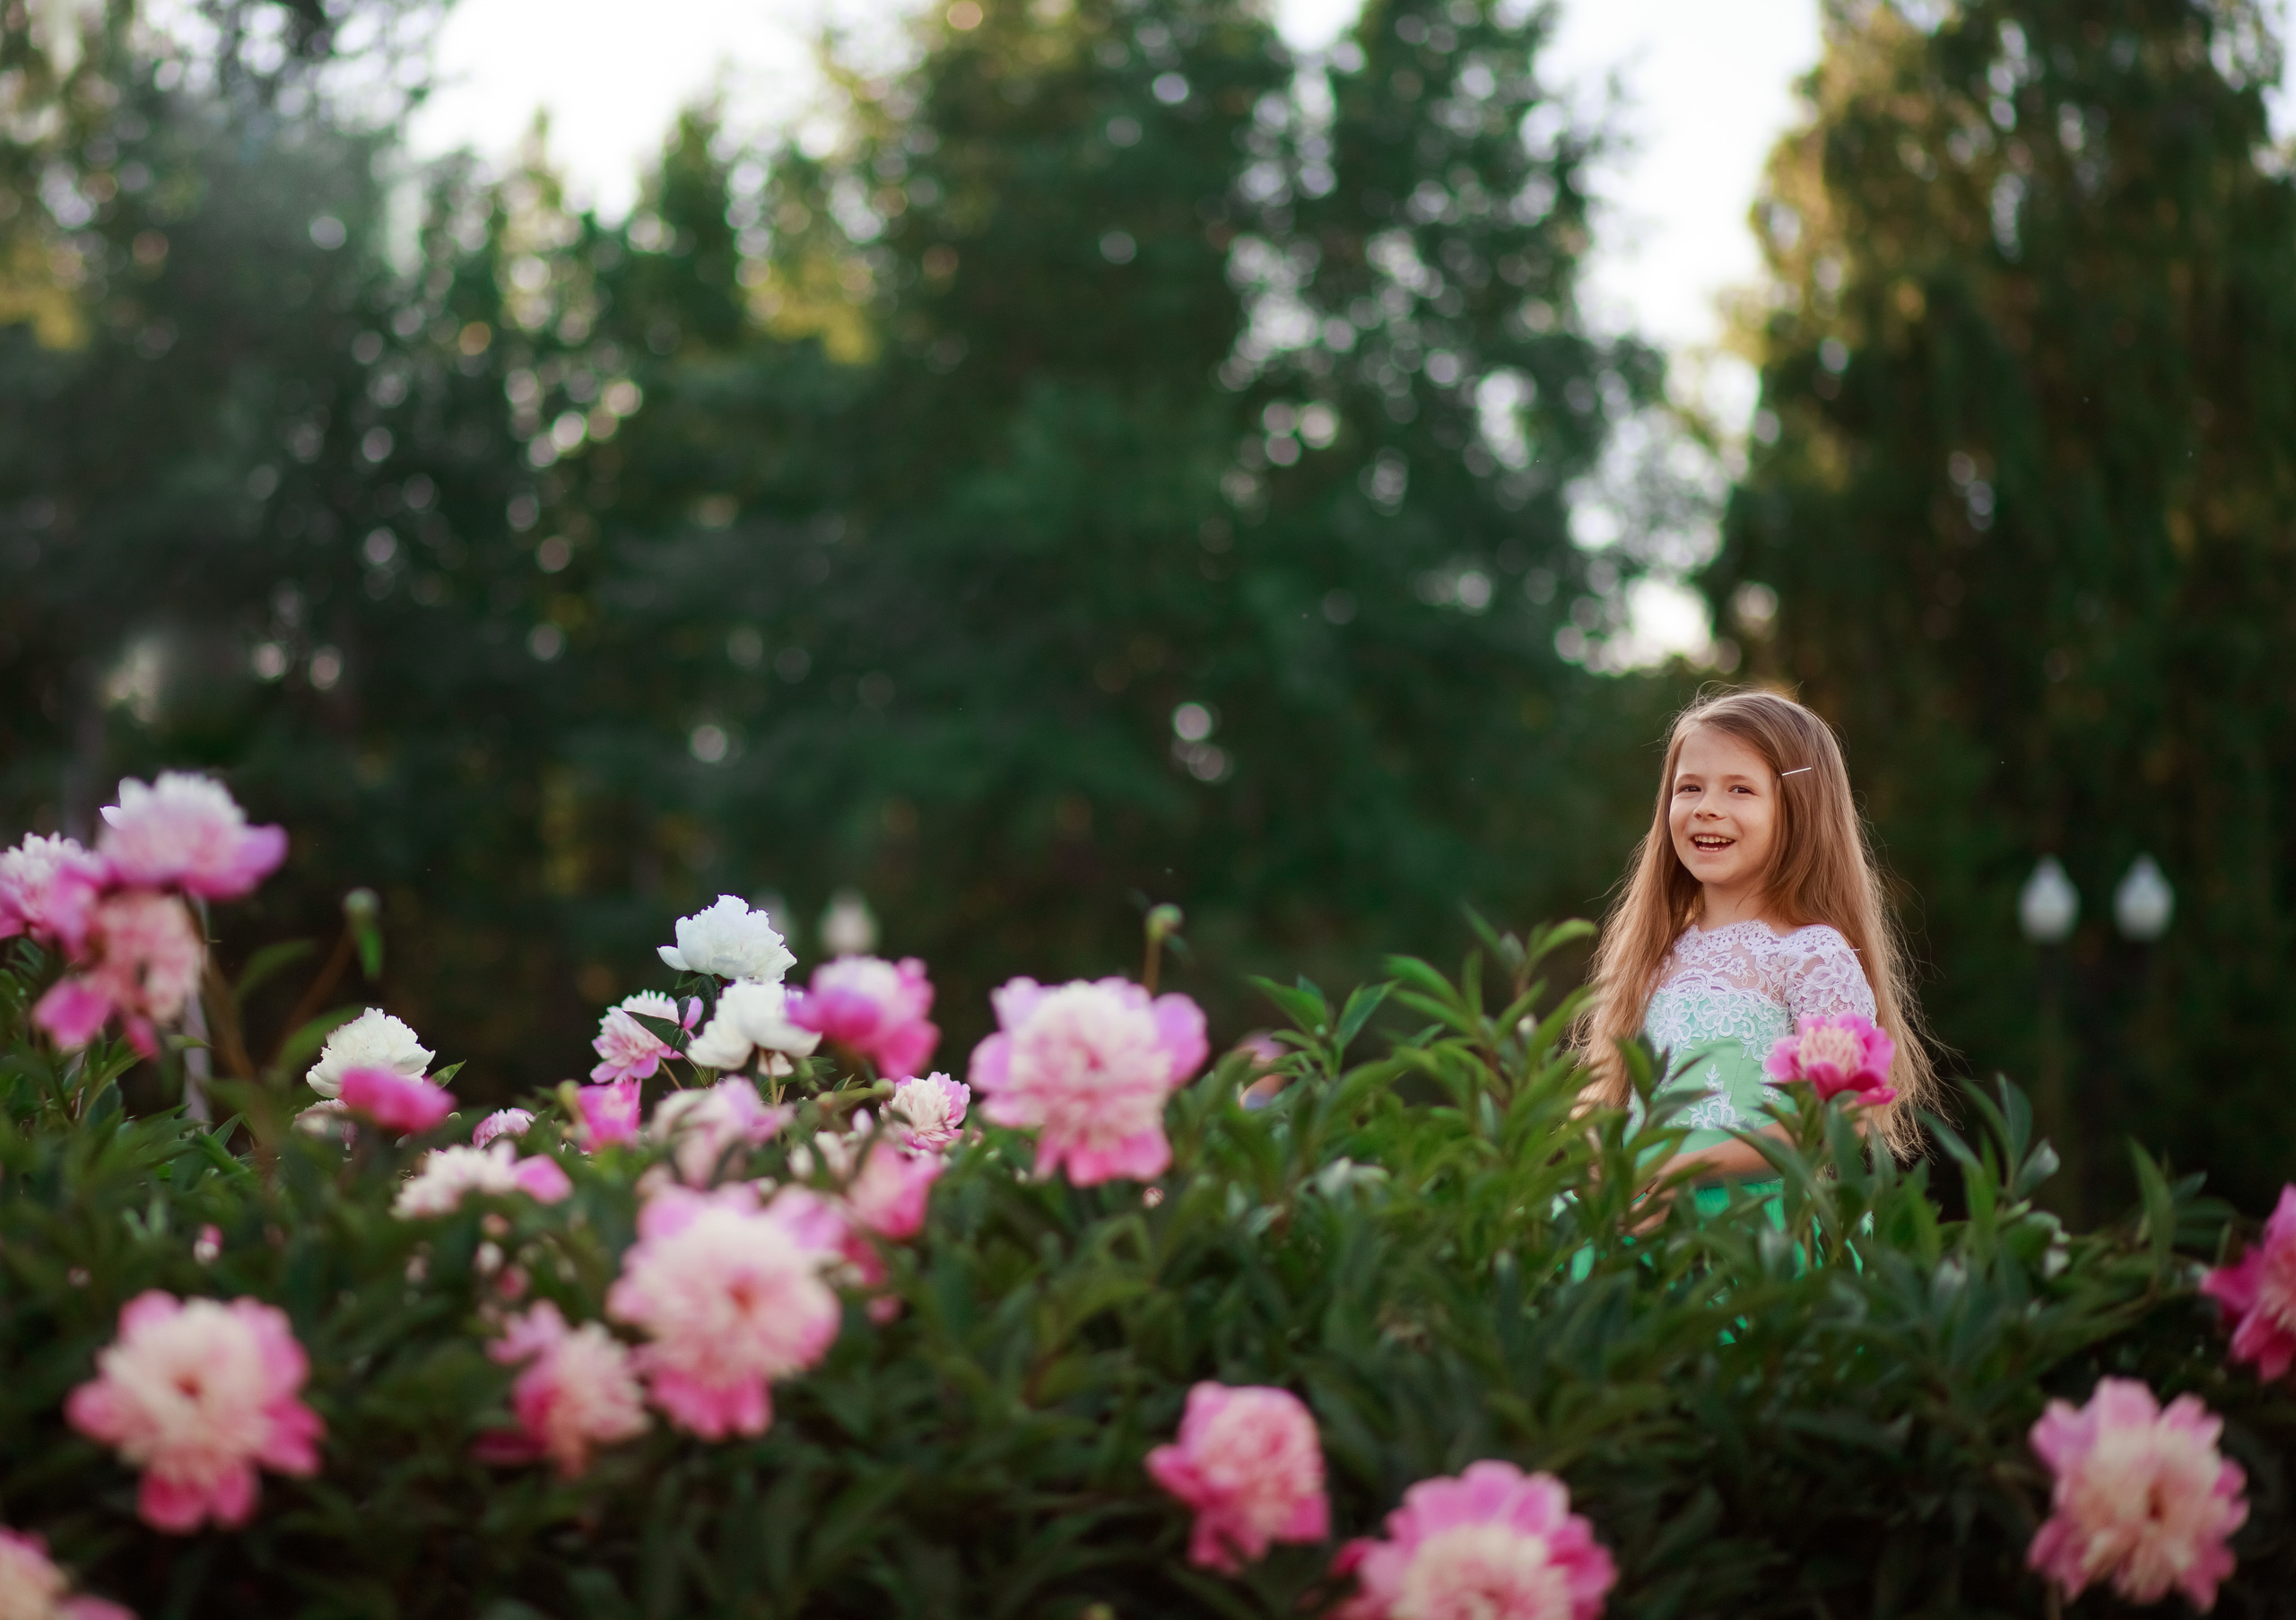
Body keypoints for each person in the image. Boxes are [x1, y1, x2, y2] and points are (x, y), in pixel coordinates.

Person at [1575, 689, 1937, 1217]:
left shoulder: (1811, 955)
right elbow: (1616, 1098)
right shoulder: (1656, 952)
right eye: (1689, 788)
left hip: (1750, 1228)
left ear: (1798, 808)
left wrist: (1679, 1169)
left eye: (1739, 789)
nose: (1707, 809)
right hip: (1638, 1224)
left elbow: (1842, 1117)